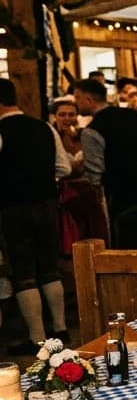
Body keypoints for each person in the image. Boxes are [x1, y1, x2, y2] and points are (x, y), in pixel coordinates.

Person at [0, 78, 70, 354]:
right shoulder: (45, 127)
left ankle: (38, 339)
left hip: (12, 208)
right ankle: (61, 328)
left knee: (24, 273)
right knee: (49, 268)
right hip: (47, 206)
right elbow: (63, 167)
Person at [75, 77, 137, 249]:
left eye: (77, 98)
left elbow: (94, 175)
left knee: (128, 250)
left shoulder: (91, 131)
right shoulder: (135, 116)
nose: (76, 103)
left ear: (88, 99)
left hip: (122, 197)